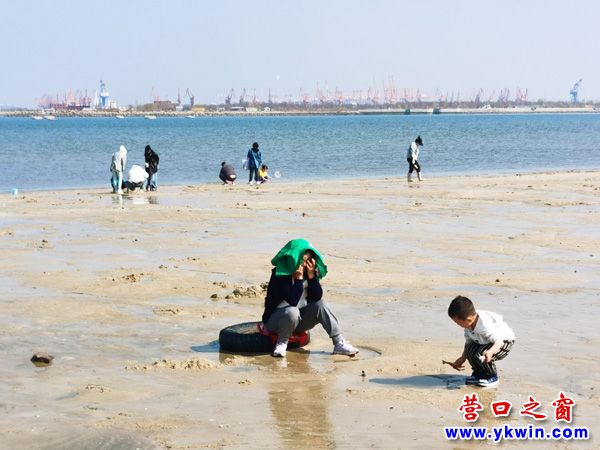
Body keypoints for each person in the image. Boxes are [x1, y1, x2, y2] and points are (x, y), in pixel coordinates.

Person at [262, 239, 359, 358]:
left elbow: (316, 297)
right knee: (292, 311)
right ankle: (282, 343)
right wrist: (298, 279)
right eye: (303, 260)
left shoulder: (308, 273)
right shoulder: (280, 274)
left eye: (308, 260)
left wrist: (312, 278)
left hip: (297, 321)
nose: (305, 264)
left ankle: (339, 342)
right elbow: (292, 300)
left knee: (321, 304)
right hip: (275, 321)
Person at [446, 295, 515, 388]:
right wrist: (462, 358)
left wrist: (490, 352)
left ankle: (491, 376)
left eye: (457, 322)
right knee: (470, 349)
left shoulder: (485, 325)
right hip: (486, 342)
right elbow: (468, 343)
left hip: (504, 342)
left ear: (469, 319)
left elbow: (499, 342)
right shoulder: (468, 325)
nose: (457, 324)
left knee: (482, 353)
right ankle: (479, 374)